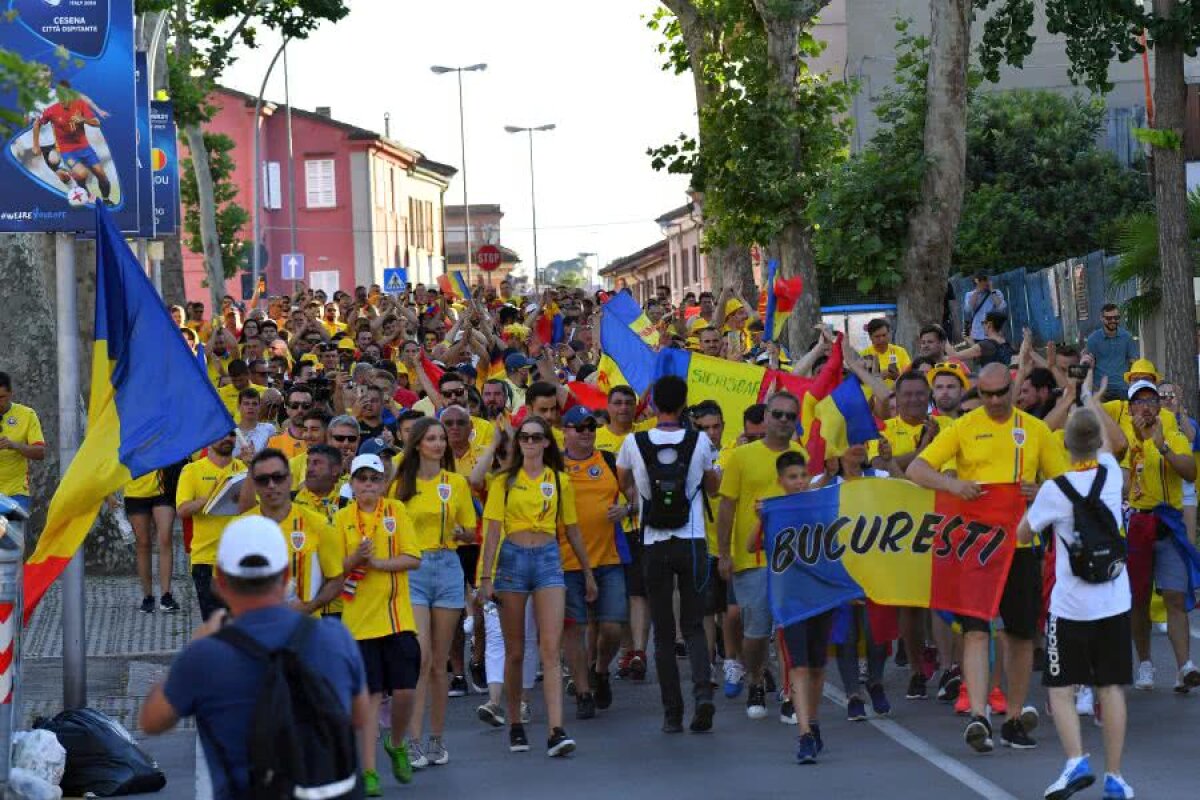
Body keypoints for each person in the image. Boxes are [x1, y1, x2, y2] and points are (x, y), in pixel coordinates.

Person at [138, 515, 369, 800]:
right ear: (286, 577)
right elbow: (359, 718)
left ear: (220, 582)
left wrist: (195, 645)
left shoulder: (205, 655)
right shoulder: (336, 637)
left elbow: (151, 721)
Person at [908, 362, 1068, 753]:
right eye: (986, 394)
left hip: (1021, 546)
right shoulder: (963, 427)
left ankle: (1013, 717)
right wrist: (953, 484)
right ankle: (979, 714)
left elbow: (1065, 485)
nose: (994, 401)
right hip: (977, 547)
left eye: (1001, 393)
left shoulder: (1035, 430)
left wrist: (1040, 491)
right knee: (977, 630)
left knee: (1018, 634)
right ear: (978, 393)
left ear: (1014, 389)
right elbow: (916, 469)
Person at [1019, 408, 1135, 800]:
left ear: (1065, 445)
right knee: (1111, 688)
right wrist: (1094, 402)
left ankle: (1075, 761)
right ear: (1097, 442)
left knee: (1061, 687)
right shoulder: (1112, 476)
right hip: (1115, 601)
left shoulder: (1055, 489)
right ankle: (1115, 776)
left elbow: (1023, 534)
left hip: (1070, 606)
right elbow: (1114, 444)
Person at [478, 415, 596, 757]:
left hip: (547, 558)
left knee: (550, 647)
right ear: (518, 443)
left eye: (536, 437)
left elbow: (572, 529)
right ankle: (515, 722)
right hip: (512, 561)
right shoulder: (504, 480)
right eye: (524, 438)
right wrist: (485, 578)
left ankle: (556, 730)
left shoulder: (559, 480)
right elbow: (493, 531)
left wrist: (587, 572)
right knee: (515, 651)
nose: (529, 442)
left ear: (547, 442)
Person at [618, 375, 720, 733]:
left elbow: (624, 483)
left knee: (662, 632)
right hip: (691, 539)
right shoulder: (701, 440)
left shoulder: (633, 441)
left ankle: (672, 713)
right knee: (692, 625)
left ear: (655, 404)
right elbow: (713, 486)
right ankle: (704, 696)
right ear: (684, 405)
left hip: (653, 541)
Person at [331, 454, 422, 795]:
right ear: (352, 484)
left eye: (374, 479)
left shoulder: (396, 512)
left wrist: (379, 563)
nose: (368, 485)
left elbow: (413, 558)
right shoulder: (340, 519)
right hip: (359, 623)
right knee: (369, 698)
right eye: (362, 478)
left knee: (404, 692)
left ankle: (396, 742)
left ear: (383, 483)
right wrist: (355, 558)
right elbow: (332, 568)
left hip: (397, 618)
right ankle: (369, 772)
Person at [389, 418, 476, 769]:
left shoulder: (455, 483)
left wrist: (460, 531)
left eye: (441, 438)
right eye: (431, 439)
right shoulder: (400, 483)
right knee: (420, 658)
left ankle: (436, 738)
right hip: (414, 569)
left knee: (441, 663)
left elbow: (471, 530)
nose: (438, 444)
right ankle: (411, 740)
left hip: (448, 566)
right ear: (417, 444)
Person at [718, 391, 805, 719]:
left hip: (792, 558)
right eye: (778, 414)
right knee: (755, 632)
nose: (783, 421)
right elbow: (727, 505)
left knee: (788, 627)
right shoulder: (742, 456)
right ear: (766, 416)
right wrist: (724, 553)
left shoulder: (801, 454)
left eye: (790, 416)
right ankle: (754, 676)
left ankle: (788, 694)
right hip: (751, 559)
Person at [1122, 380, 1200, 692]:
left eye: (1151, 400)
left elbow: (1190, 472)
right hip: (1140, 524)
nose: (1146, 407)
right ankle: (1145, 664)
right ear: (1130, 409)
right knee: (1138, 599)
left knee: (1174, 596)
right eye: (1139, 401)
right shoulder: (1124, 436)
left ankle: (1185, 667)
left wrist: (1161, 445)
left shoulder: (1171, 427)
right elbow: (1122, 481)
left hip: (1169, 525)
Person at [561, 405, 634, 718]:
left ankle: (601, 669)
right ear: (565, 431)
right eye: (579, 427)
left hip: (608, 558)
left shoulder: (607, 460)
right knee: (574, 630)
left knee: (613, 627)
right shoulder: (555, 466)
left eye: (591, 426)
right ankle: (582, 691)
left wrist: (627, 509)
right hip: (567, 563)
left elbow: (634, 494)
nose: (587, 432)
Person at [243, 449, 343, 617]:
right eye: (262, 480)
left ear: (290, 478)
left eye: (278, 477)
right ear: (254, 483)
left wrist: (309, 607)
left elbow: (336, 580)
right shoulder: (241, 528)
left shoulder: (318, 524)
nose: (271, 485)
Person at [176, 431, 247, 621]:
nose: (227, 439)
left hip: (238, 560)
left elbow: (258, 509)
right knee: (215, 625)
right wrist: (209, 498)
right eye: (221, 434)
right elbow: (182, 510)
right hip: (206, 560)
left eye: (232, 434)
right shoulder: (192, 470)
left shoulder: (243, 470)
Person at [0, 372, 45, 511]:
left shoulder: (27, 415)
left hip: (16, 492)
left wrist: (14, 445)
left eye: (1, 397)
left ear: (11, 393)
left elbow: (40, 453)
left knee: (12, 533)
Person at [1086, 304, 1139, 399]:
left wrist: (1133, 385)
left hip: (1123, 388)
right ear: (1102, 318)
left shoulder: (1126, 337)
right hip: (1101, 390)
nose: (1113, 321)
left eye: (1116, 317)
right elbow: (1089, 366)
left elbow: (1133, 362)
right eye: (1109, 318)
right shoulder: (1093, 339)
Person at [860, 318, 911, 384]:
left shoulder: (900, 352)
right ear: (870, 337)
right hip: (871, 394)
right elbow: (860, 380)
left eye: (884, 335)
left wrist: (897, 376)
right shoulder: (864, 354)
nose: (882, 339)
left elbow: (909, 375)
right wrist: (878, 377)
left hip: (896, 393)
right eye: (877, 336)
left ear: (889, 334)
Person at [269, 386, 314, 457]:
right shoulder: (274, 442)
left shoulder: (321, 441)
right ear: (287, 408)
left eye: (306, 406)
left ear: (312, 408)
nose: (300, 410)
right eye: (294, 405)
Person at [963, 273, 1007, 341]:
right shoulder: (970, 294)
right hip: (977, 333)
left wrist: (992, 291)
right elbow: (968, 309)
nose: (987, 283)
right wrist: (977, 291)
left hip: (993, 333)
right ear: (978, 282)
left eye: (988, 280)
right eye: (984, 281)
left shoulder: (996, 293)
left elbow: (1001, 307)